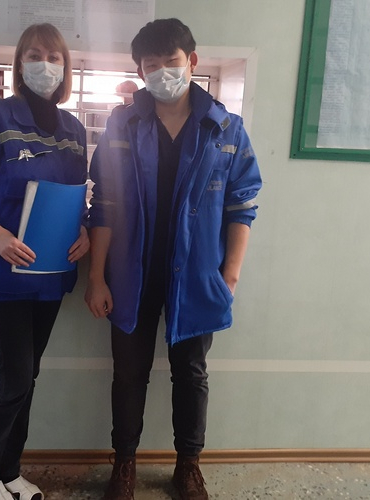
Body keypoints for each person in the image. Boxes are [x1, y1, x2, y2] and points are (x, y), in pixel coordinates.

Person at [85, 18, 262, 500]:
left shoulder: (225, 127)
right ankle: (124, 464)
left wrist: (230, 273)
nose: (163, 72)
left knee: (191, 373)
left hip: (198, 273)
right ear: (139, 71)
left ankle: (188, 465)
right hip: (132, 273)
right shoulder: (122, 124)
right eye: (152, 65)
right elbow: (104, 203)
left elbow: (243, 203)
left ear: (192, 62)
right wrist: (96, 276)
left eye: (172, 61)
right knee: (129, 372)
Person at [0, 23, 89, 500]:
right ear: (20, 64)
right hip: (7, 273)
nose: (45, 64)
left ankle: (10, 471)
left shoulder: (73, 130)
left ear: (66, 66)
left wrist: (84, 229)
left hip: (53, 274)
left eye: (54, 56)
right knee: (14, 380)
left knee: (29, 378)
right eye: (35, 55)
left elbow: (76, 196)